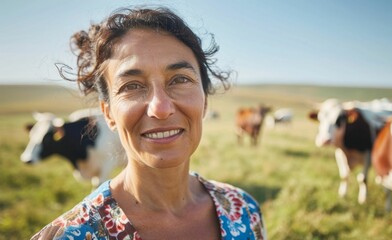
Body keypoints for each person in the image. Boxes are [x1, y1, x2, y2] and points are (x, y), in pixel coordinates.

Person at [31, 6, 266, 240]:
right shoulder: (69, 236)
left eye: (180, 79)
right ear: (109, 113)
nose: (161, 108)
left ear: (204, 101)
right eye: (131, 86)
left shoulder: (245, 211)